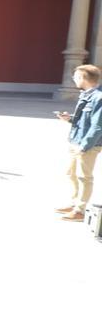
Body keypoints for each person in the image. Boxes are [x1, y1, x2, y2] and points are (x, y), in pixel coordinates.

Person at [56, 65, 102, 221]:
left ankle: (80, 210)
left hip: (87, 144)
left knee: (84, 177)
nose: (74, 79)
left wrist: (85, 146)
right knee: (72, 174)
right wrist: (70, 119)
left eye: (75, 76)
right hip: (76, 140)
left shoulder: (99, 97)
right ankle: (75, 203)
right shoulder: (86, 94)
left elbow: (98, 126)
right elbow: (84, 119)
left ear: (83, 78)